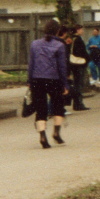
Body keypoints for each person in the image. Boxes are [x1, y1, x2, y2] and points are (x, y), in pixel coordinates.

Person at [27, 18, 69, 148]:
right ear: (57, 31)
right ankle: (56, 132)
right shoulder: (60, 46)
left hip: (37, 79)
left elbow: (31, 64)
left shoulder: (35, 44)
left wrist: (29, 80)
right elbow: (62, 67)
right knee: (58, 105)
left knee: (41, 108)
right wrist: (65, 84)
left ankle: (42, 136)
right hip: (53, 79)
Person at [66, 25, 90, 110]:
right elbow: (81, 52)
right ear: (77, 30)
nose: (82, 31)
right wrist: (88, 58)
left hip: (73, 64)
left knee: (76, 83)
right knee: (79, 84)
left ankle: (76, 104)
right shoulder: (78, 39)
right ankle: (78, 104)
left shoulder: (70, 39)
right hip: (79, 64)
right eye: (81, 29)